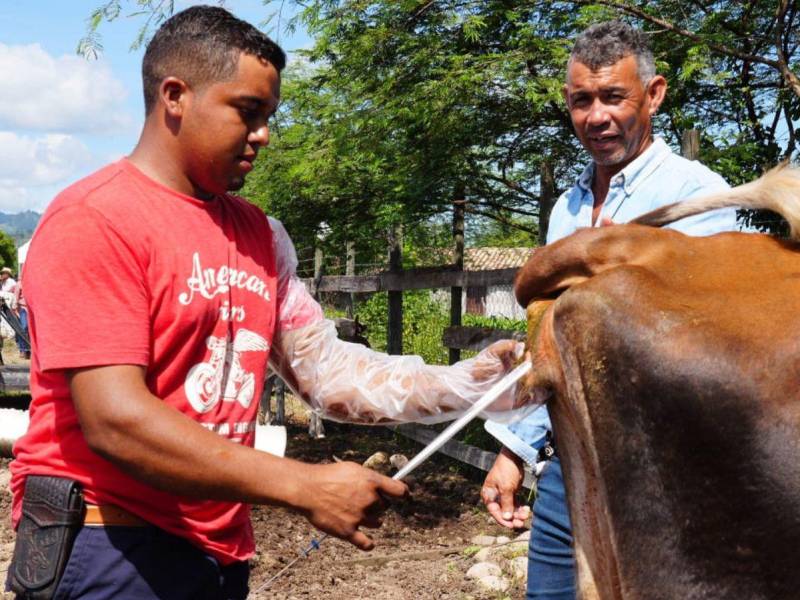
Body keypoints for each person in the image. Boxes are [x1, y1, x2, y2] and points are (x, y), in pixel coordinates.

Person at [5, 7, 530, 599]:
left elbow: (327, 373)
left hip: (219, 548)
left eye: (268, 116)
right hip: (110, 545)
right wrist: (303, 485)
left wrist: (481, 385)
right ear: (175, 96)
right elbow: (114, 419)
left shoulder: (258, 235)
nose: (264, 135)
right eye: (248, 112)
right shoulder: (95, 219)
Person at [479, 21, 738, 600]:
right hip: (567, 482)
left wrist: (635, 280)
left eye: (613, 97)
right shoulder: (566, 210)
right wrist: (512, 453)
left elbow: (711, 347)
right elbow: (550, 348)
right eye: (582, 101)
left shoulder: (697, 198)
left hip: (661, 487)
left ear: (654, 94)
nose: (597, 117)